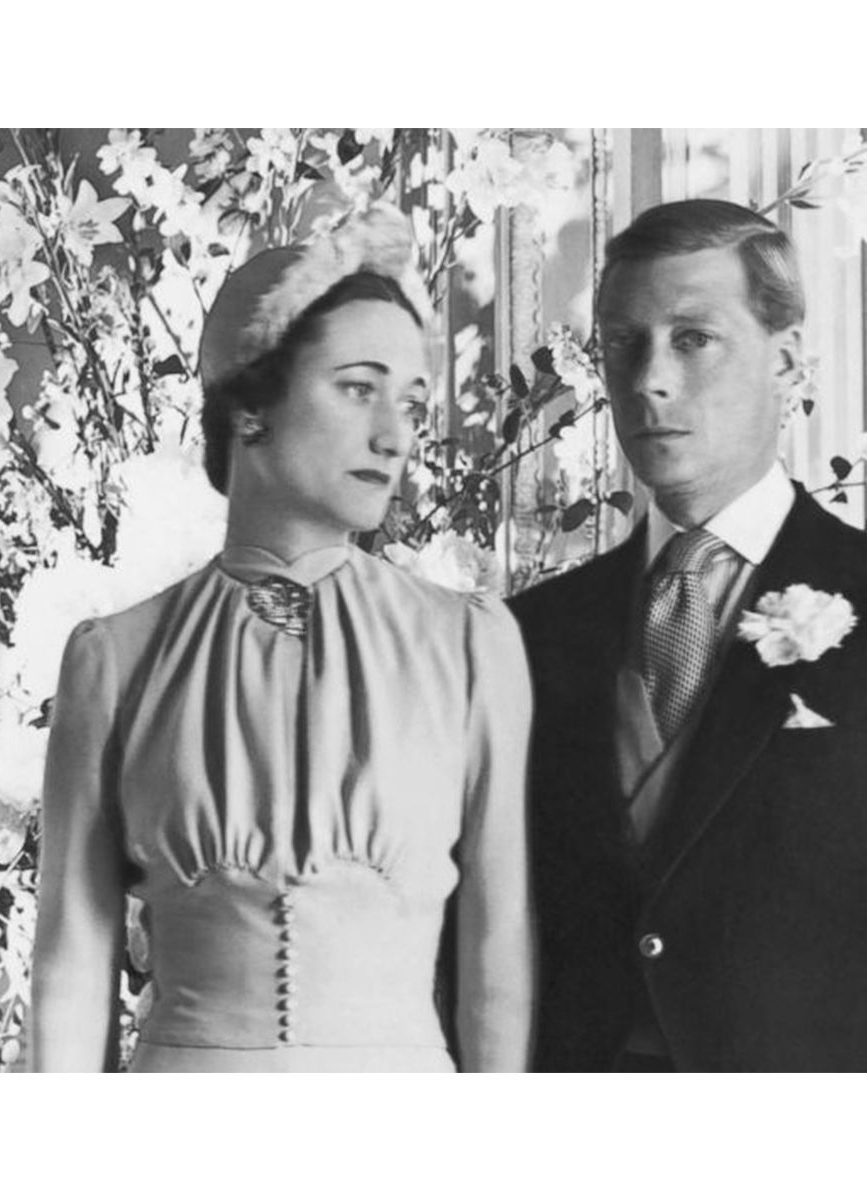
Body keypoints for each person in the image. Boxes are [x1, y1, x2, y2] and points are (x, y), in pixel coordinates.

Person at [31, 205, 537, 1072]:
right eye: (358, 388)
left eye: (412, 404)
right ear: (250, 404)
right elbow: (72, 969)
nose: (394, 436)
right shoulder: (114, 659)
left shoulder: (469, 646)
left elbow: (499, 961)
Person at [509, 198, 867, 1071]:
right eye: (623, 343)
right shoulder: (530, 632)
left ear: (786, 362)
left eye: (693, 339)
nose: (648, 380)